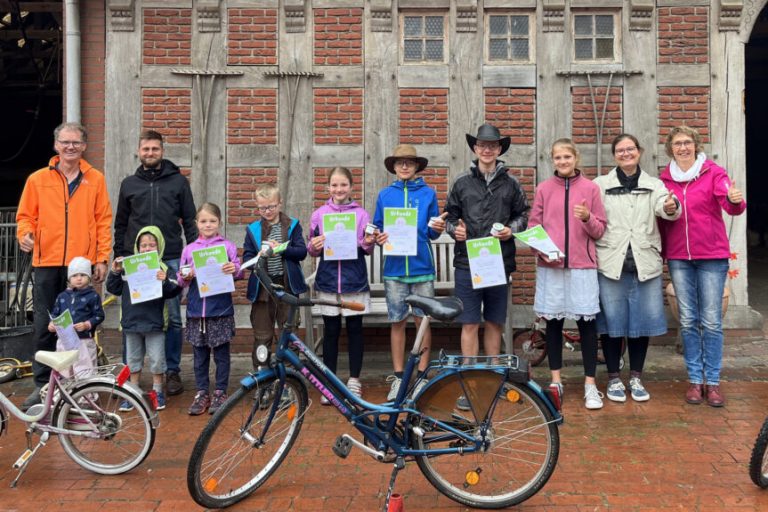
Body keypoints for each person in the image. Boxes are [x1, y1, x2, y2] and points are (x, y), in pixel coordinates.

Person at [16, 122, 112, 410]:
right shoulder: (37, 179)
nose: (71, 147)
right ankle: (43, 384)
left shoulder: (95, 179)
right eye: (65, 142)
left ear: (84, 146)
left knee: (81, 323)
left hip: (80, 265)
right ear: (56, 145)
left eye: (76, 142)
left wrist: (101, 258)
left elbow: (103, 220)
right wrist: (24, 234)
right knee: (45, 325)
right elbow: (25, 216)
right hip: (46, 261)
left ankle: (80, 381)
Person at [659, 126, 746, 407]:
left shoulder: (713, 173)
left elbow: (730, 203)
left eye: (687, 142)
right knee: (687, 320)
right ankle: (695, 380)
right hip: (679, 258)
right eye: (677, 143)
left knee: (711, 321)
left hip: (711, 256)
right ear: (670, 148)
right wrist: (666, 211)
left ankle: (714, 382)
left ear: (696, 145)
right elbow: (660, 216)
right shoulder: (664, 180)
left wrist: (734, 201)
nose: (683, 147)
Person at [445, 123, 529, 410]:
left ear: (499, 149)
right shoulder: (461, 182)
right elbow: (449, 217)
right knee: (469, 323)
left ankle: (494, 380)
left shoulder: (511, 183)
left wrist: (510, 229)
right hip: (467, 263)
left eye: (492, 145)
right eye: (482, 145)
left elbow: (523, 214)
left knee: (494, 322)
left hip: (497, 261)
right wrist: (454, 230)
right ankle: (469, 384)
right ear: (475, 148)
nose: (487, 150)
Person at [593, 134, 681, 403]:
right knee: (612, 324)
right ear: (614, 155)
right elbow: (593, 218)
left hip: (645, 262)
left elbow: (667, 208)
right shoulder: (600, 185)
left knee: (640, 325)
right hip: (611, 262)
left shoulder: (654, 184)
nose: (626, 153)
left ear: (639, 151)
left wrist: (671, 206)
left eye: (630, 149)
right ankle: (613, 378)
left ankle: (636, 377)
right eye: (620, 150)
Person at [113, 129, 197, 397]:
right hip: (135, 260)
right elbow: (121, 224)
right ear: (139, 152)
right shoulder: (129, 184)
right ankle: (129, 376)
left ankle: (171, 371)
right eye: (146, 149)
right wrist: (120, 255)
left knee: (171, 318)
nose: (150, 153)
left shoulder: (179, 182)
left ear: (162, 151)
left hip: (169, 256)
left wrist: (193, 254)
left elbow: (190, 220)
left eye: (155, 149)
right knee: (131, 317)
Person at [528, 139, 607, 410]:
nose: (562, 161)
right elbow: (534, 228)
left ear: (576, 158)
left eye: (567, 157)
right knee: (553, 324)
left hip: (582, 266)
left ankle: (590, 385)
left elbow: (600, 230)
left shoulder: (591, 188)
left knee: (587, 326)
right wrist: (542, 252)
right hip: (551, 267)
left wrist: (586, 217)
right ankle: (556, 381)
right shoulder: (543, 189)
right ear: (553, 160)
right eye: (558, 157)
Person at [373, 144, 446, 401]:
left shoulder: (428, 194)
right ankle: (398, 376)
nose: (404, 166)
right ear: (393, 166)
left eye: (409, 162)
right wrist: (378, 237)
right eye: (400, 162)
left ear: (416, 167)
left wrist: (438, 228)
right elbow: (377, 228)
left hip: (421, 268)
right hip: (394, 270)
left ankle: (422, 376)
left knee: (422, 322)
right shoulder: (385, 195)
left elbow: (432, 232)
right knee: (397, 321)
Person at [308, 167, 376, 401]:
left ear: (351, 187)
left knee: (355, 330)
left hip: (354, 281)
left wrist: (368, 242)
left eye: (343, 185)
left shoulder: (361, 215)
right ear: (328, 187)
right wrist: (314, 246)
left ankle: (354, 379)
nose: (339, 189)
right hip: (328, 281)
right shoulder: (319, 214)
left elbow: (367, 248)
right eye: (335, 185)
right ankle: (330, 380)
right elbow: (311, 248)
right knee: (331, 331)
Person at [106, 226, 182, 411]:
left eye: (152, 245)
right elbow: (113, 288)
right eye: (144, 245)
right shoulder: (127, 267)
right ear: (137, 247)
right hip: (132, 322)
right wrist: (115, 271)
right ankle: (133, 392)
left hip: (155, 323)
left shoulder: (163, 268)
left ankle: (157, 392)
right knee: (133, 361)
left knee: (157, 360)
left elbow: (175, 290)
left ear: (159, 247)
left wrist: (165, 280)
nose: (147, 248)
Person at [178, 203, 242, 415]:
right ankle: (202, 392)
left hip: (220, 309)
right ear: (196, 223)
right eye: (204, 221)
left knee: (221, 354)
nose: (208, 225)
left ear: (219, 223)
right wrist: (186, 274)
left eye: (212, 221)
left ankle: (221, 391)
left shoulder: (227, 246)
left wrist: (234, 269)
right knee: (200, 355)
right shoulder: (189, 249)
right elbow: (181, 279)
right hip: (196, 311)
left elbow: (239, 271)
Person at [243, 184, 308, 369]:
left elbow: (302, 252)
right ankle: (261, 374)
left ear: (280, 203)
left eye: (271, 206)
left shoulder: (292, 225)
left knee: (290, 333)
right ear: (257, 207)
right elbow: (247, 259)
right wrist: (258, 258)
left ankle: (289, 376)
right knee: (262, 335)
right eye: (262, 208)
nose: (267, 211)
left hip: (287, 286)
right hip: (263, 289)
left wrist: (282, 249)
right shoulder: (253, 229)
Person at [48, 257, 105, 377]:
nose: (79, 278)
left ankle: (87, 390)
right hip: (64, 341)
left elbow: (99, 315)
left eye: (83, 275)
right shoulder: (62, 296)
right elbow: (55, 314)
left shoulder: (93, 296)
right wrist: (52, 324)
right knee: (64, 371)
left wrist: (87, 324)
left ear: (89, 277)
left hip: (84, 340)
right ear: (69, 278)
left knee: (85, 371)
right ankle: (66, 389)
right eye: (74, 275)